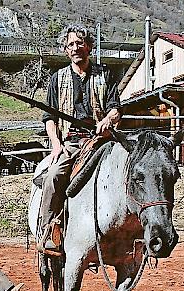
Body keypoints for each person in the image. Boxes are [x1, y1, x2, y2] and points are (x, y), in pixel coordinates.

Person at [36, 23, 123, 254]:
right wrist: (56, 146)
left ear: (89, 47)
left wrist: (108, 120)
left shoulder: (105, 75)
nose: (76, 48)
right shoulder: (57, 78)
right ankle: (48, 231)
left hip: (101, 142)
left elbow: (115, 109)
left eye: (80, 43)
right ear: (66, 50)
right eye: (71, 44)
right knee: (53, 176)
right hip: (71, 143)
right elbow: (49, 117)